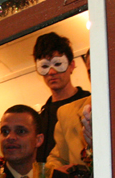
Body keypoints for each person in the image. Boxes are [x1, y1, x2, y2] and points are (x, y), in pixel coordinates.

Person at [33, 32, 91, 163]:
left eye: (58, 64)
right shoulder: (41, 118)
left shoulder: (89, 105)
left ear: (71, 66)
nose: (52, 72)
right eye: (45, 66)